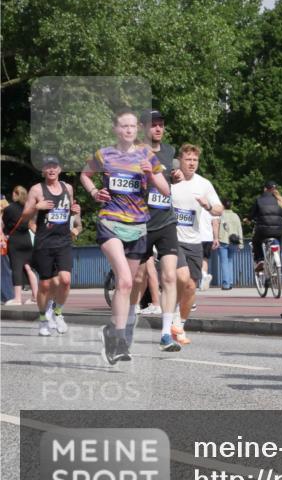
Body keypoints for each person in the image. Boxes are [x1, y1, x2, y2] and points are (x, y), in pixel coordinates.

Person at [80, 109, 171, 364]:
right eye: (124, 126)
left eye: (132, 126)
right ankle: (119, 340)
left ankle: (112, 330)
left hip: (138, 226)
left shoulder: (147, 155)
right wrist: (94, 192)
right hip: (110, 222)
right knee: (124, 281)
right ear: (115, 129)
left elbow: (166, 190)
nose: (129, 130)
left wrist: (151, 174)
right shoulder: (104, 154)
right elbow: (85, 175)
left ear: (137, 129)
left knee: (127, 285)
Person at [130, 109, 184, 350]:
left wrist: (176, 175)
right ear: (143, 128)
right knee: (138, 278)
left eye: (161, 124)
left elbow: (168, 179)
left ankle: (165, 334)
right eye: (154, 125)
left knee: (169, 276)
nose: (159, 128)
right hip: (141, 222)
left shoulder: (169, 151)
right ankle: (128, 322)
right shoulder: (133, 151)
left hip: (166, 221)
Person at [19, 156, 81, 335]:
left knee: (65, 280)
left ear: (60, 169)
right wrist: (37, 207)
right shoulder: (37, 189)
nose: (52, 169)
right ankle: (42, 319)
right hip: (44, 242)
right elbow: (24, 216)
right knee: (45, 285)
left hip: (63, 241)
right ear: (43, 170)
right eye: (48, 166)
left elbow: (70, 210)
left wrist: (74, 211)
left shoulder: (67, 188)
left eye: (55, 166)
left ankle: (58, 313)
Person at [169, 144, 223, 345]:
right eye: (188, 159)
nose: (192, 163)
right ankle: (170, 319)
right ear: (180, 161)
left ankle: (179, 325)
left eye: (195, 160)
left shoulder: (204, 184)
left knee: (191, 287)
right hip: (172, 238)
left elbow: (219, 209)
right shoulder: (171, 181)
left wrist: (208, 206)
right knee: (181, 278)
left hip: (194, 241)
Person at [1, 186, 38, 305]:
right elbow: (31, 223)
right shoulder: (29, 208)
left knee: (16, 268)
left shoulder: (9, 209)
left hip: (15, 241)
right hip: (26, 239)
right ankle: (35, 297)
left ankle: (17, 298)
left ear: (15, 194)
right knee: (28, 268)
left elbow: (5, 224)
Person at [251, 181, 282, 273]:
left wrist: (249, 219)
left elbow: (253, 214)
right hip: (278, 231)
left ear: (265, 189)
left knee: (256, 241)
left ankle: (260, 259)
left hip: (263, 231)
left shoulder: (259, 200)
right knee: (279, 242)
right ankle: (278, 262)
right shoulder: (280, 200)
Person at [217, 199, 243, 290]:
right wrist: (241, 244)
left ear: (223, 206)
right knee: (230, 261)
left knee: (224, 262)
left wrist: (215, 239)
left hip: (223, 240)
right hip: (234, 241)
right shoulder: (236, 216)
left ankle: (226, 284)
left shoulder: (220, 215)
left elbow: (217, 227)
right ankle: (230, 282)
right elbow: (239, 229)